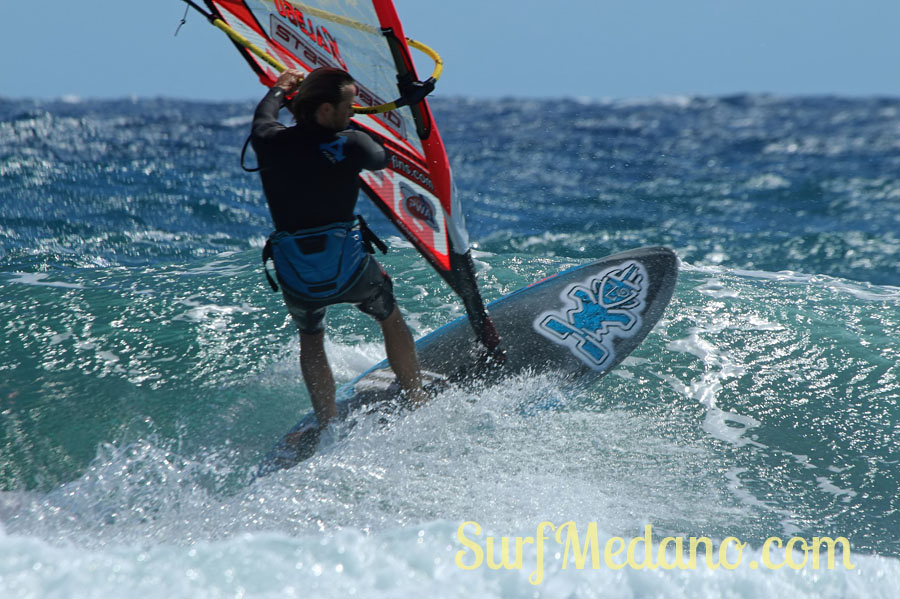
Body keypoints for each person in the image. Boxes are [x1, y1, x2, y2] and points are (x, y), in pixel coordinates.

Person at [252, 67, 424, 430]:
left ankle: (327, 423)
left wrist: (281, 89)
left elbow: (263, 117)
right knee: (389, 315)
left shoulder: (269, 141)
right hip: (350, 272)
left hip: (297, 276)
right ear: (326, 110)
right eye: (348, 106)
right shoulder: (351, 144)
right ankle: (416, 398)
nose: (353, 112)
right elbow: (382, 157)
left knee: (311, 337)